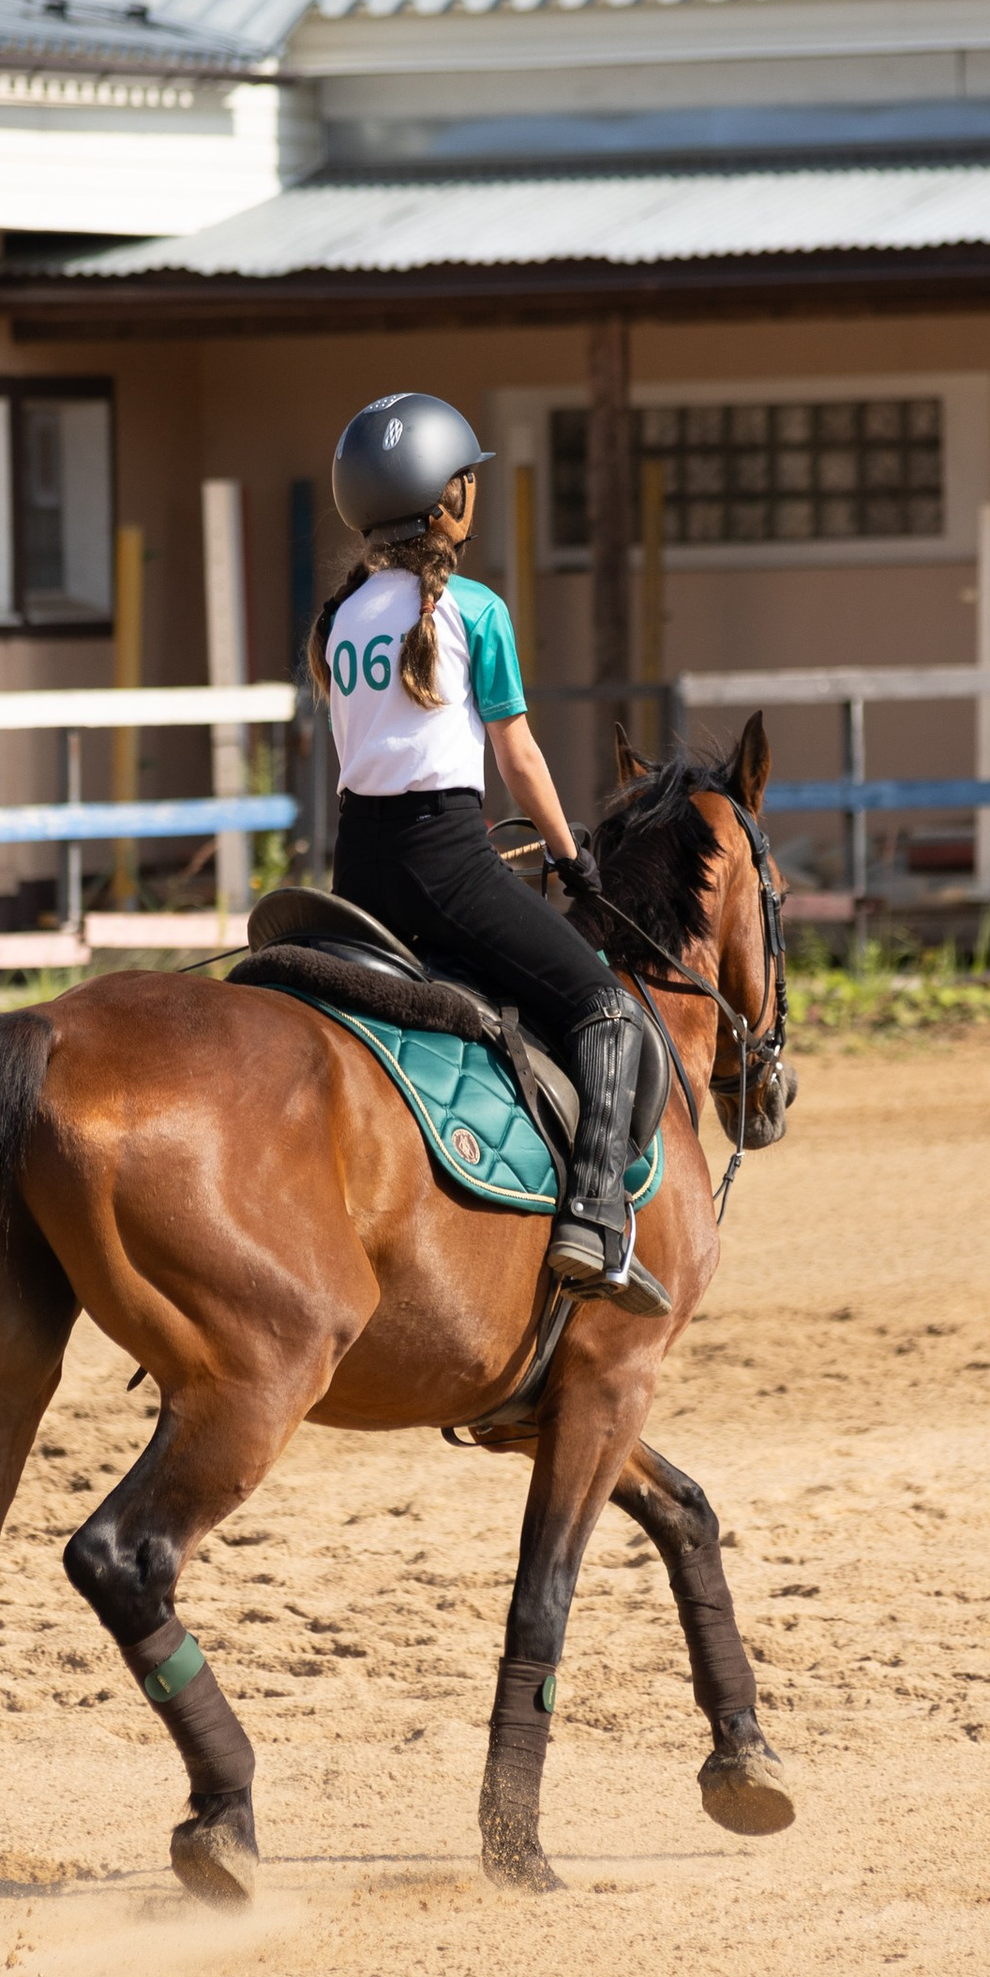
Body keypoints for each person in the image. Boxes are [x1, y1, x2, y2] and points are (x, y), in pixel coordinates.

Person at [308, 390, 667, 1315]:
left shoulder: (340, 617)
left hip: (359, 875)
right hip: (446, 866)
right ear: (446, 502)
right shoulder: (475, 608)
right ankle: (592, 1218)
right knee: (604, 1008)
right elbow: (519, 756)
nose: (473, 493)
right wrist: (571, 856)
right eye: (467, 480)